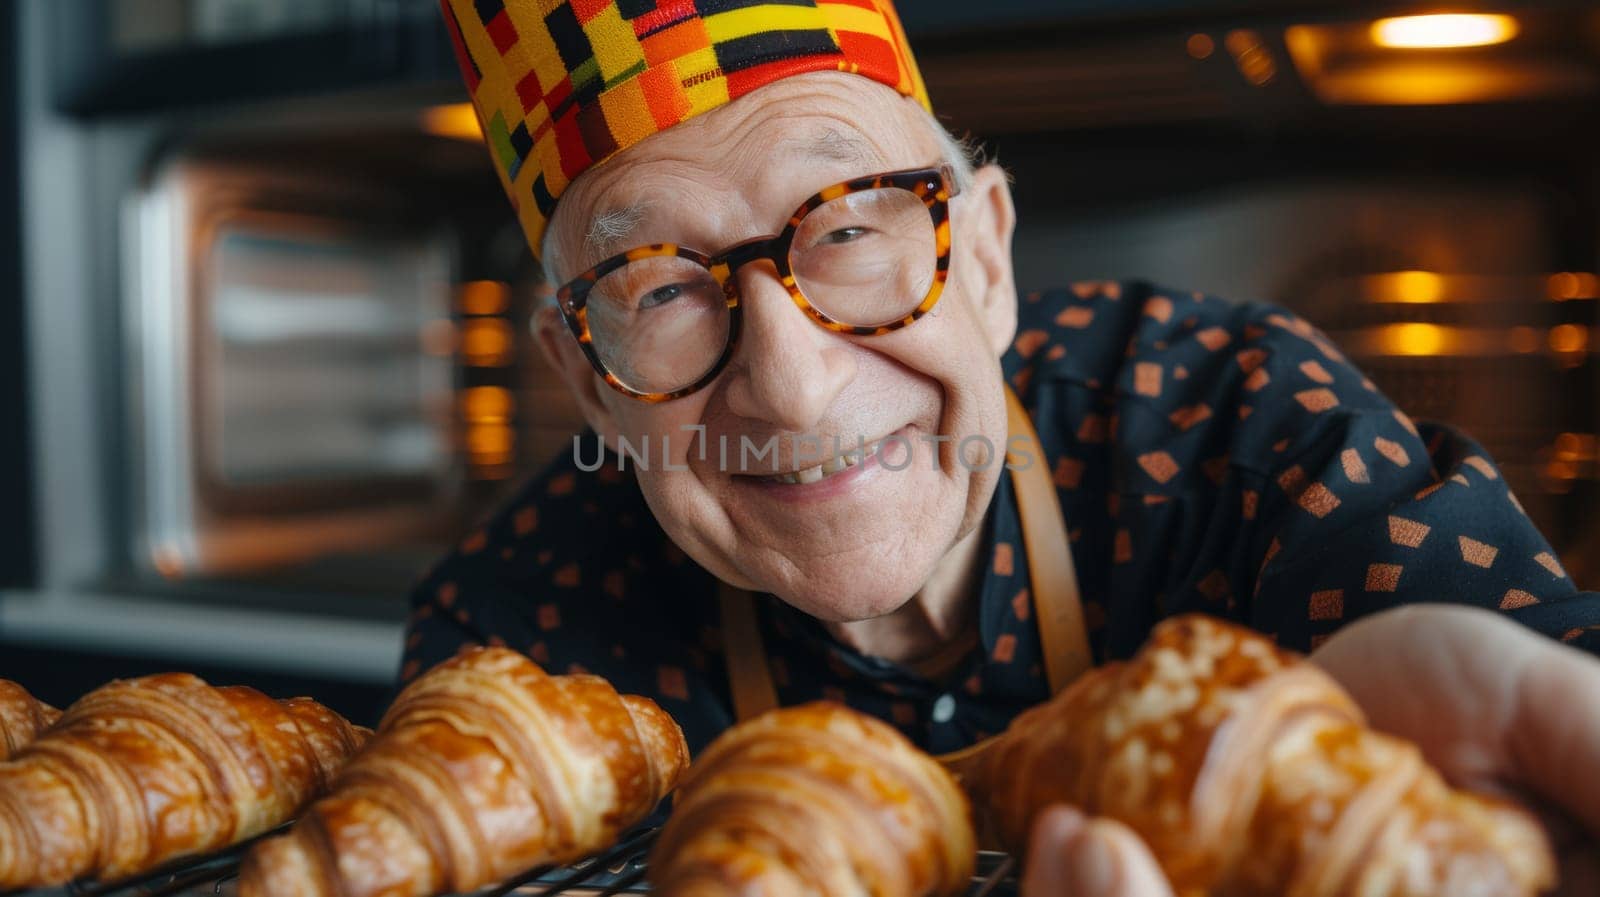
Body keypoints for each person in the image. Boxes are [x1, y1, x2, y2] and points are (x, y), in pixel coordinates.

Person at [411, 2, 1600, 893]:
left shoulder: (1242, 424)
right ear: (583, 378)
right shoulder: (515, 651)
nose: (789, 380)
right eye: (660, 291)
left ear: (983, 259)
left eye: (847, 230)